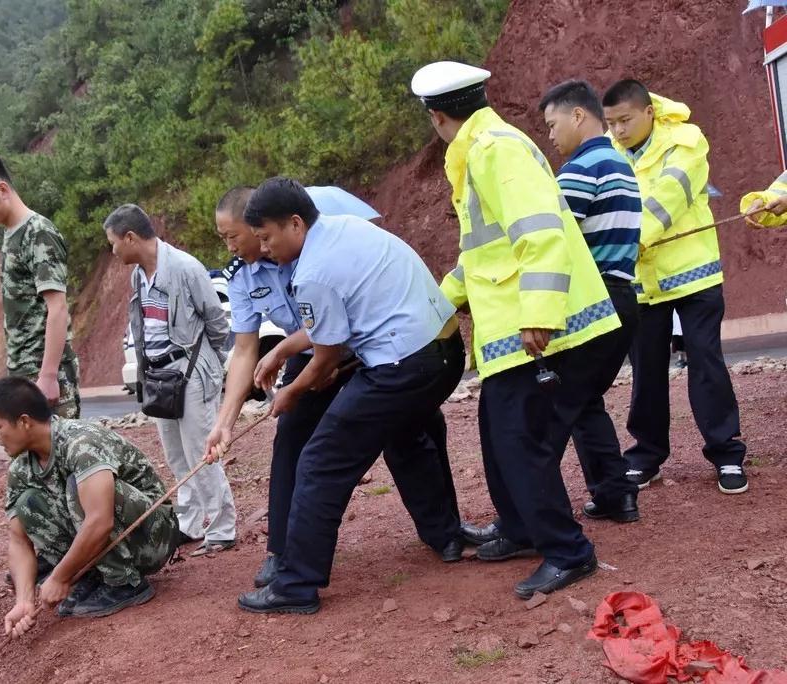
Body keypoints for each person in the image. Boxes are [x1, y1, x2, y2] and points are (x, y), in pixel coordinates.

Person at [412, 61, 622, 598]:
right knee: (497, 433)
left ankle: (568, 552)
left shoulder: (494, 150)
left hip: (543, 328)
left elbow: (540, 232)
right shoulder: (479, 152)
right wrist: (435, 307)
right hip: (510, 333)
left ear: (437, 117)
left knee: (521, 442)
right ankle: (522, 530)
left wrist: (540, 312)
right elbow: (483, 253)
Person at [204, 186, 463, 589]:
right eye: (226, 238)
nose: (236, 245)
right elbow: (246, 350)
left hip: (364, 351)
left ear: (267, 227)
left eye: (237, 235)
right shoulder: (253, 268)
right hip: (338, 351)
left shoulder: (308, 256)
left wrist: (296, 379)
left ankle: (443, 534)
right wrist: (227, 420)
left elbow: (333, 329)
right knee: (294, 437)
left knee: (391, 437)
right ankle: (283, 551)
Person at [602, 79, 748, 494]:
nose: (618, 131)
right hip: (642, 283)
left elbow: (671, 195)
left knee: (705, 363)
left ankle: (726, 454)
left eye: (625, 120)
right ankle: (646, 456)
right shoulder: (610, 152)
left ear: (648, 111)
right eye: (611, 123)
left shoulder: (686, 140)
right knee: (646, 371)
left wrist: (628, 241)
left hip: (693, 275)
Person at [0, 377, 178, 636]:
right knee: (27, 503)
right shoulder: (21, 468)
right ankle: (90, 576)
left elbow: (100, 521)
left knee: (79, 488)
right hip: (112, 539)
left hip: (153, 536)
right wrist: (24, 601)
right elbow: (19, 541)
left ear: (24, 422)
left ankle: (124, 583)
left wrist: (60, 577)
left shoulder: (80, 443)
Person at [104, 204, 237, 556]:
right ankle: (191, 523)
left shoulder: (184, 267)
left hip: (189, 372)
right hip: (159, 375)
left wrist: (208, 364)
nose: (113, 250)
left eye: (114, 243)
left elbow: (217, 323)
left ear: (130, 237)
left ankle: (222, 527)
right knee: (177, 456)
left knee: (201, 453)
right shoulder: (138, 275)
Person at [538, 79, 642, 523]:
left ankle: (531, 518)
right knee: (584, 402)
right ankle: (615, 494)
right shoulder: (618, 164)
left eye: (552, 123)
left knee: (550, 412)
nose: (550, 135)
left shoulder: (580, 170)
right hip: (623, 298)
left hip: (593, 302)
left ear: (577, 115)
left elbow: (551, 238)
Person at [0, 152, 81, 418]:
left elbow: (57, 307)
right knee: (34, 459)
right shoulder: (11, 235)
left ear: (1, 189)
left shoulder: (38, 232)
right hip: (25, 374)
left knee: (58, 455)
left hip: (44, 376)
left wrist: (47, 376)